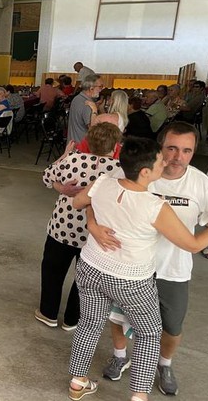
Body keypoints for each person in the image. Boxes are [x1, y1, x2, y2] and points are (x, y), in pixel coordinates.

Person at [67, 137, 208, 401]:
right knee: (149, 332)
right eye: (160, 160)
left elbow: (77, 202)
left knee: (88, 324)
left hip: (91, 268)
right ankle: (139, 395)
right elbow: (192, 244)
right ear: (145, 172)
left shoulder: (104, 183)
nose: (166, 162)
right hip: (130, 280)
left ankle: (78, 382)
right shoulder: (154, 206)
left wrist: (93, 223)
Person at [35, 123, 122, 331]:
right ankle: (73, 318)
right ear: (116, 145)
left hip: (63, 227)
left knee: (53, 271)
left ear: (88, 141)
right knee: (83, 280)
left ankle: (48, 313)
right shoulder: (119, 170)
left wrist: (64, 160)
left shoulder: (73, 159)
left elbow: (47, 177)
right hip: (95, 235)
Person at [67, 74, 104, 143]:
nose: (102, 89)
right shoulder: (88, 105)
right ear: (91, 88)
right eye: (100, 86)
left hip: (73, 143)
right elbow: (93, 129)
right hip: (82, 147)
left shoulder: (77, 98)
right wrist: (98, 110)